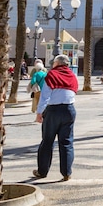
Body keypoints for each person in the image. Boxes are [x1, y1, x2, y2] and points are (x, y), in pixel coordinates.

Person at [33, 54, 77, 182]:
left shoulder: (52, 75)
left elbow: (45, 96)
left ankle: (42, 171)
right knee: (67, 142)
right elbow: (74, 92)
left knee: (47, 141)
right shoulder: (72, 76)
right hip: (69, 110)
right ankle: (66, 172)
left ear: (57, 64)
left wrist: (39, 113)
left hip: (53, 111)